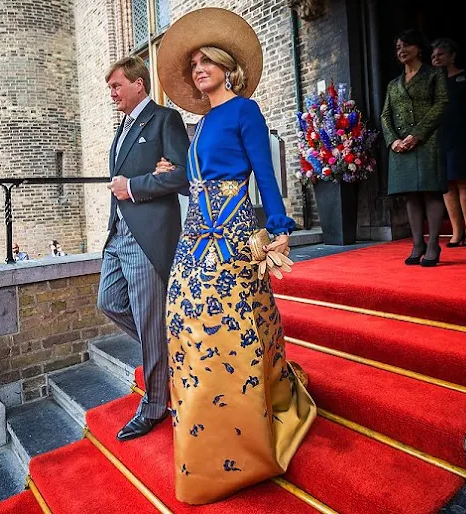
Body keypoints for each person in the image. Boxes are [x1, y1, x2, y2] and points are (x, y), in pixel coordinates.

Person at [155, 8, 316, 505]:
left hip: (233, 233)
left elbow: (261, 173)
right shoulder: (199, 123)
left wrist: (280, 225)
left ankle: (242, 436)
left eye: (208, 61)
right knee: (182, 318)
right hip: (195, 236)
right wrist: (173, 170)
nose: (200, 67)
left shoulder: (245, 110)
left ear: (228, 65)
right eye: (195, 63)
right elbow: (197, 178)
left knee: (232, 323)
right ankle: (208, 429)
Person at [96, 56, 190, 441]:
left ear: (139, 84)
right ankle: (168, 349)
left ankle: (154, 406)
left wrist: (137, 187)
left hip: (148, 237)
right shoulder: (123, 127)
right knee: (109, 301)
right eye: (110, 88)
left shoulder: (165, 120)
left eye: (117, 86)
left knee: (151, 323)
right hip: (117, 236)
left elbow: (186, 177)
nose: (113, 93)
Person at [381, 29, 449, 267]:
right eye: (398, 47)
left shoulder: (434, 74)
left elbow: (441, 103)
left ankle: (432, 245)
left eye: (406, 45)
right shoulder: (393, 84)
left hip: (427, 141)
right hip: (400, 147)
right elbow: (385, 115)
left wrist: (416, 135)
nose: (401, 50)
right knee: (411, 194)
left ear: (419, 48)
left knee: (431, 192)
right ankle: (417, 243)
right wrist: (393, 140)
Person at [431, 38, 466, 249]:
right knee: (446, 184)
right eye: (433, 56)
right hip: (440, 138)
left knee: (464, 181)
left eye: (440, 55)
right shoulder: (432, 84)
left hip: (464, 136)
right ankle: (456, 232)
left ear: (452, 56)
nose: (436, 59)